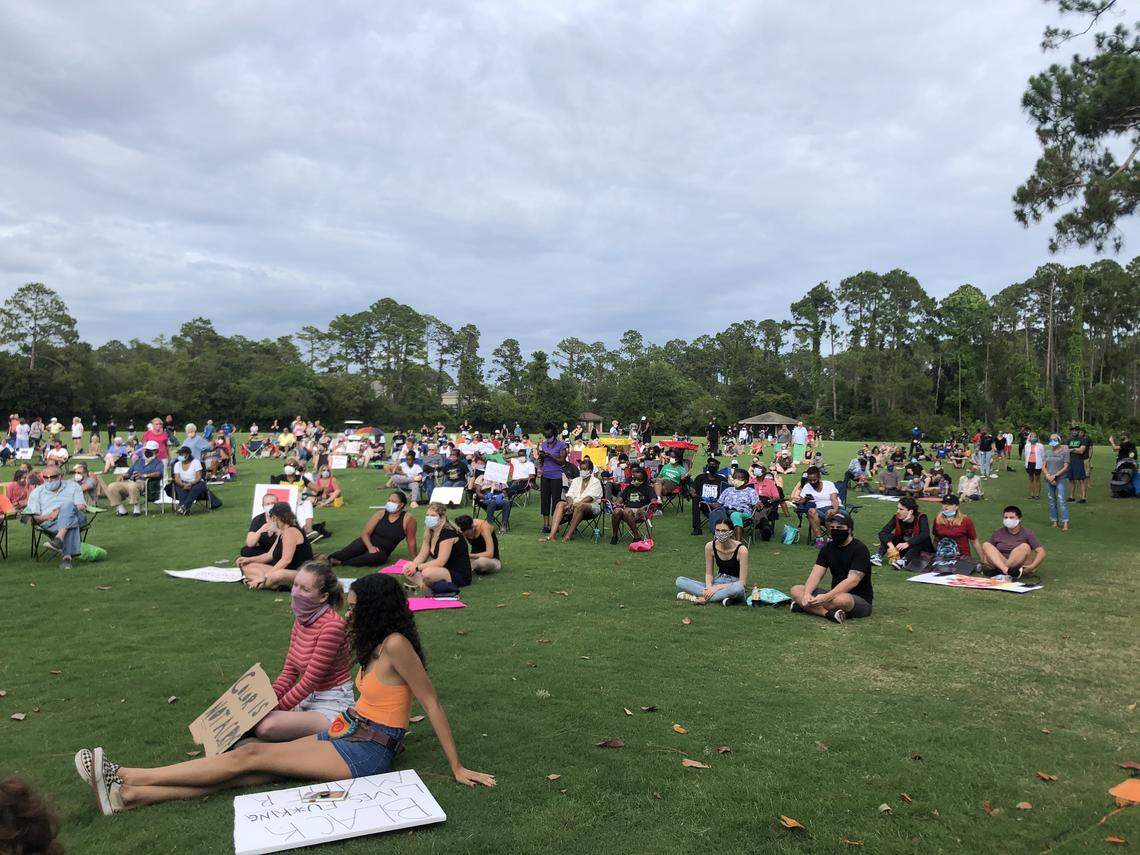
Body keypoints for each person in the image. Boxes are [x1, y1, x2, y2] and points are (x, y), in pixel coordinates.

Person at [75, 572, 494, 815]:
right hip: (348, 731)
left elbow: (431, 702)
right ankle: (128, 796)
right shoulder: (374, 642)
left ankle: (124, 774)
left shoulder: (396, 645)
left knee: (249, 755)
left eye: (355, 605)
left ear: (376, 607)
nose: (350, 610)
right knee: (248, 771)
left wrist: (457, 767)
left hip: (366, 752)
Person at [251, 562, 354, 741]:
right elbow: (289, 670)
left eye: (305, 589)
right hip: (307, 697)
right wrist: (269, 700)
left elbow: (310, 681)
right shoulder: (302, 619)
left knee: (266, 726)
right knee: (256, 716)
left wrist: (277, 708)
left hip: (331, 701)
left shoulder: (332, 626)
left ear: (323, 597)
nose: (296, 592)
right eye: (295, 585)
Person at [789, 509, 872, 623]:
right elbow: (815, 575)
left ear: (850, 530)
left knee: (842, 600)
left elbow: (853, 580)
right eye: (832, 528)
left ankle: (806, 607)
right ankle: (828, 614)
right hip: (834, 593)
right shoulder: (828, 548)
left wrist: (826, 597)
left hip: (857, 599)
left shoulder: (860, 549)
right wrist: (807, 594)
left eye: (839, 528)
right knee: (796, 590)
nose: (835, 531)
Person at [328, 491, 418, 568]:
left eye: (393, 501)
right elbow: (365, 533)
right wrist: (370, 547)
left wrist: (415, 560)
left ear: (401, 505)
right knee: (346, 553)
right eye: (389, 500)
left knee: (376, 557)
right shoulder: (380, 514)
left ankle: (342, 563)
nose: (389, 503)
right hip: (367, 542)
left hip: (382, 551)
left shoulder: (408, 519)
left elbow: (411, 541)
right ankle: (328, 558)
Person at [238, 503, 313, 589]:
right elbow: (269, 555)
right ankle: (263, 581)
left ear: (276, 518)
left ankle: (261, 583)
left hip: (300, 572)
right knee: (248, 566)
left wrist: (266, 576)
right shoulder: (282, 532)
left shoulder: (290, 532)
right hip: (286, 570)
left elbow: (286, 560)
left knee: (278, 575)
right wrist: (248, 559)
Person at [25, 464, 87, 569]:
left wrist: (61, 510)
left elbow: (81, 506)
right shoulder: (36, 493)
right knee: (70, 523)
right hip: (51, 522)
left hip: (76, 514)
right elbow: (34, 517)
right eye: (45, 477)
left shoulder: (73, 486)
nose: (49, 480)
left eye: (52, 477)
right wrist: (48, 517)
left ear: (61, 476)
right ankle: (66, 558)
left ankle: (59, 538)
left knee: (67, 506)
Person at [675, 517, 749, 605]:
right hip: (717, 580)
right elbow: (709, 573)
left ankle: (698, 598)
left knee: (738, 589)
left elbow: (742, 582)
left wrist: (716, 588)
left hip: (733, 584)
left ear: (731, 532)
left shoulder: (742, 550)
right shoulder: (710, 546)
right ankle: (724, 598)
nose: (720, 533)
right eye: (718, 530)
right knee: (680, 581)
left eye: (724, 531)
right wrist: (709, 587)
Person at [401, 503, 472, 592]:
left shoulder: (448, 533)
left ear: (442, 518)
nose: (429, 518)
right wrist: (413, 566)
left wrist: (417, 568)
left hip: (457, 574)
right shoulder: (430, 532)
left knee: (427, 572)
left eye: (433, 515)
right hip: (441, 569)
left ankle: (426, 584)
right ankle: (423, 585)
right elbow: (422, 555)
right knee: (406, 566)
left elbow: (440, 561)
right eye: (427, 515)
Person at [980, 506, 1046, 579]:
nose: (1008, 520)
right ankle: (1006, 571)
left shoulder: (1027, 533)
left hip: (1018, 564)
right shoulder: (998, 532)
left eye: (1011, 517)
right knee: (986, 545)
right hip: (1001, 562)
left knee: (1024, 546)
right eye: (1006, 517)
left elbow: (1041, 552)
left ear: (1019, 519)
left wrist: (1032, 567)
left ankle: (1001, 571)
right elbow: (990, 552)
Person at [546, 461, 603, 542]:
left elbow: (590, 497)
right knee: (560, 504)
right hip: (574, 505)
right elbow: (570, 494)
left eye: (584, 469)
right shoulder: (576, 480)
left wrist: (576, 504)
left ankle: (568, 535)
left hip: (591, 506)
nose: (582, 471)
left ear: (590, 471)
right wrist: (569, 504)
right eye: (581, 469)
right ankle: (552, 535)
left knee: (580, 506)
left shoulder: (596, 481)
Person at [930, 495, 984, 572]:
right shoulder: (938, 519)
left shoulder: (965, 520)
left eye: (950, 504)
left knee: (959, 568)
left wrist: (983, 559)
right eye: (944, 504)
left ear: (957, 506)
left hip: (961, 556)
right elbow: (936, 539)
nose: (946, 506)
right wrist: (933, 554)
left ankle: (973, 564)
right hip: (943, 555)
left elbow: (974, 541)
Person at [790, 465, 840, 542]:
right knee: (811, 511)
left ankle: (831, 539)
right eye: (810, 480)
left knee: (829, 513)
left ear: (819, 477)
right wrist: (803, 500)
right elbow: (801, 500)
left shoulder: (828, 484)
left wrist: (835, 510)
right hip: (818, 510)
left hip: (833, 508)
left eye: (814, 480)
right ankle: (819, 539)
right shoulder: (807, 486)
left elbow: (834, 499)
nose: (812, 482)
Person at [608, 465, 655, 544]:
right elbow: (620, 500)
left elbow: (654, 502)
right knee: (616, 511)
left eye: (638, 479)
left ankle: (637, 536)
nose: (635, 480)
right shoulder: (629, 488)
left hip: (641, 511)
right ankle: (614, 536)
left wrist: (645, 507)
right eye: (634, 478)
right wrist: (618, 503)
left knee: (627, 511)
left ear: (643, 479)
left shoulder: (648, 488)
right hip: (627, 510)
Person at [536, 423, 568, 534]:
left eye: (548, 432)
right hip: (545, 476)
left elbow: (562, 462)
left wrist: (549, 456)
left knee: (556, 501)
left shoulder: (561, 445)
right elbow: (542, 460)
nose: (547, 435)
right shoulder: (543, 444)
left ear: (553, 432)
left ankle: (555, 524)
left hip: (556, 476)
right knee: (544, 500)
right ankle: (546, 525)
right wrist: (541, 458)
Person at [714, 469, 759, 542]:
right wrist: (706, 503)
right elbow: (718, 504)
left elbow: (755, 505)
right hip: (726, 513)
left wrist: (758, 505)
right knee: (717, 513)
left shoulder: (751, 491)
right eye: (735, 477)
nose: (736, 480)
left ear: (746, 481)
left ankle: (738, 543)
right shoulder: (728, 490)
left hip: (743, 514)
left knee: (735, 515)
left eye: (739, 478)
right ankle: (720, 539)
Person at [689, 459, 727, 535]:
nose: (712, 467)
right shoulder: (700, 477)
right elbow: (692, 489)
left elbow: (726, 493)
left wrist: (719, 502)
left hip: (717, 503)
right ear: (707, 467)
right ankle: (697, 528)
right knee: (695, 499)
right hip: (702, 502)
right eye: (710, 465)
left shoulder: (722, 479)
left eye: (714, 465)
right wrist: (694, 495)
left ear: (717, 468)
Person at [1042, 432, 1070, 531]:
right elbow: (1043, 466)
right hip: (1048, 479)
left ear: (1059, 440)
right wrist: (1048, 476)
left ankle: (1065, 522)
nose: (1052, 441)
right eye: (1051, 439)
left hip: (1060, 479)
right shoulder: (1047, 452)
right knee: (1051, 500)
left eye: (1055, 439)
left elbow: (1066, 466)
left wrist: (1055, 476)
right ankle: (1055, 521)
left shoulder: (1065, 452)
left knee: (1061, 500)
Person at [169, 446, 206, 514]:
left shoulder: (196, 462)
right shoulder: (177, 464)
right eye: (179, 454)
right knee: (180, 488)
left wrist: (191, 483)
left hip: (196, 483)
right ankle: (185, 509)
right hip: (182, 483)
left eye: (182, 454)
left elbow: (198, 477)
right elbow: (177, 478)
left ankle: (184, 507)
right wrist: (183, 484)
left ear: (188, 454)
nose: (180, 456)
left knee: (196, 488)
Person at [1068, 426, 1092, 503]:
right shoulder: (1069, 440)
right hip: (1070, 462)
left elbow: (1081, 451)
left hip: (1079, 462)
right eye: (1073, 430)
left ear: (1078, 431)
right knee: (1071, 480)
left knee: (1081, 480)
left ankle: (1083, 498)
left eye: (1076, 430)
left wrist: (1071, 449)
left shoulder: (1082, 440)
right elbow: (1065, 450)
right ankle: (1071, 497)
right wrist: (1075, 449)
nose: (1074, 431)